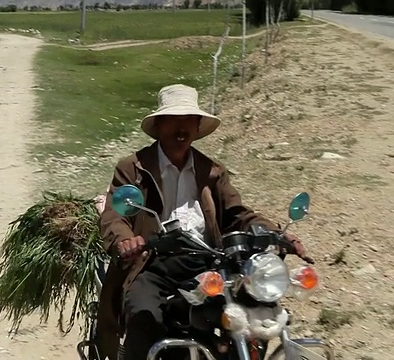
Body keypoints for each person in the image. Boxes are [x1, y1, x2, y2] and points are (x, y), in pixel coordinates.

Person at [94, 84, 311, 360]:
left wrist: (278, 234)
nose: (181, 130)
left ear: (197, 127)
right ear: (159, 125)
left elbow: (237, 213)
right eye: (173, 121)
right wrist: (126, 240)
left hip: (207, 263)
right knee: (143, 319)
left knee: (248, 314)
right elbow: (115, 214)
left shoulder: (211, 170)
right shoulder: (134, 168)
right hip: (151, 263)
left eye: (188, 121)